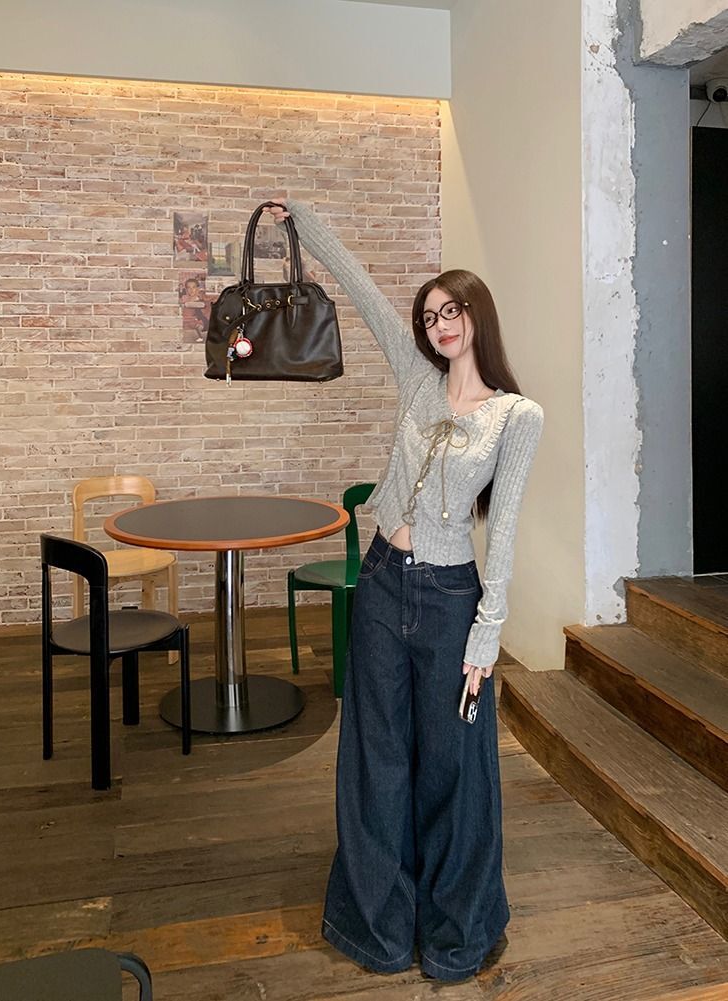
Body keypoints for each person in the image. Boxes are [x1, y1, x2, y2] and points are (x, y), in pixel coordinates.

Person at [264, 198, 544, 983]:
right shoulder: (417, 378)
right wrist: (303, 222)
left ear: (477, 316)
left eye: (452, 310)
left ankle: (458, 933)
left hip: (453, 599)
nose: (439, 324)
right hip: (383, 585)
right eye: (430, 315)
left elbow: (504, 530)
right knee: (376, 758)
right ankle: (378, 926)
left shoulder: (516, 416)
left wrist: (488, 634)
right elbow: (359, 288)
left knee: (456, 768)